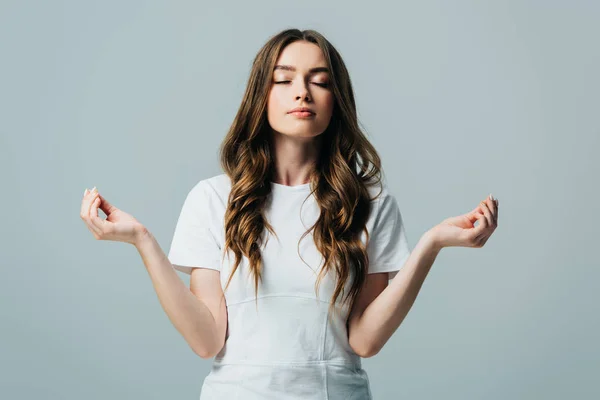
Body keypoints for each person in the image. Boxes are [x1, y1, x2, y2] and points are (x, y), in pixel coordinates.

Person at [80, 28, 498, 400]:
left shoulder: (370, 203)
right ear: (261, 96)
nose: (303, 92)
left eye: (319, 81)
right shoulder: (212, 199)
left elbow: (365, 341)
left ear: (337, 100)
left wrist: (430, 245)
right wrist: (142, 241)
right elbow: (207, 340)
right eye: (284, 80)